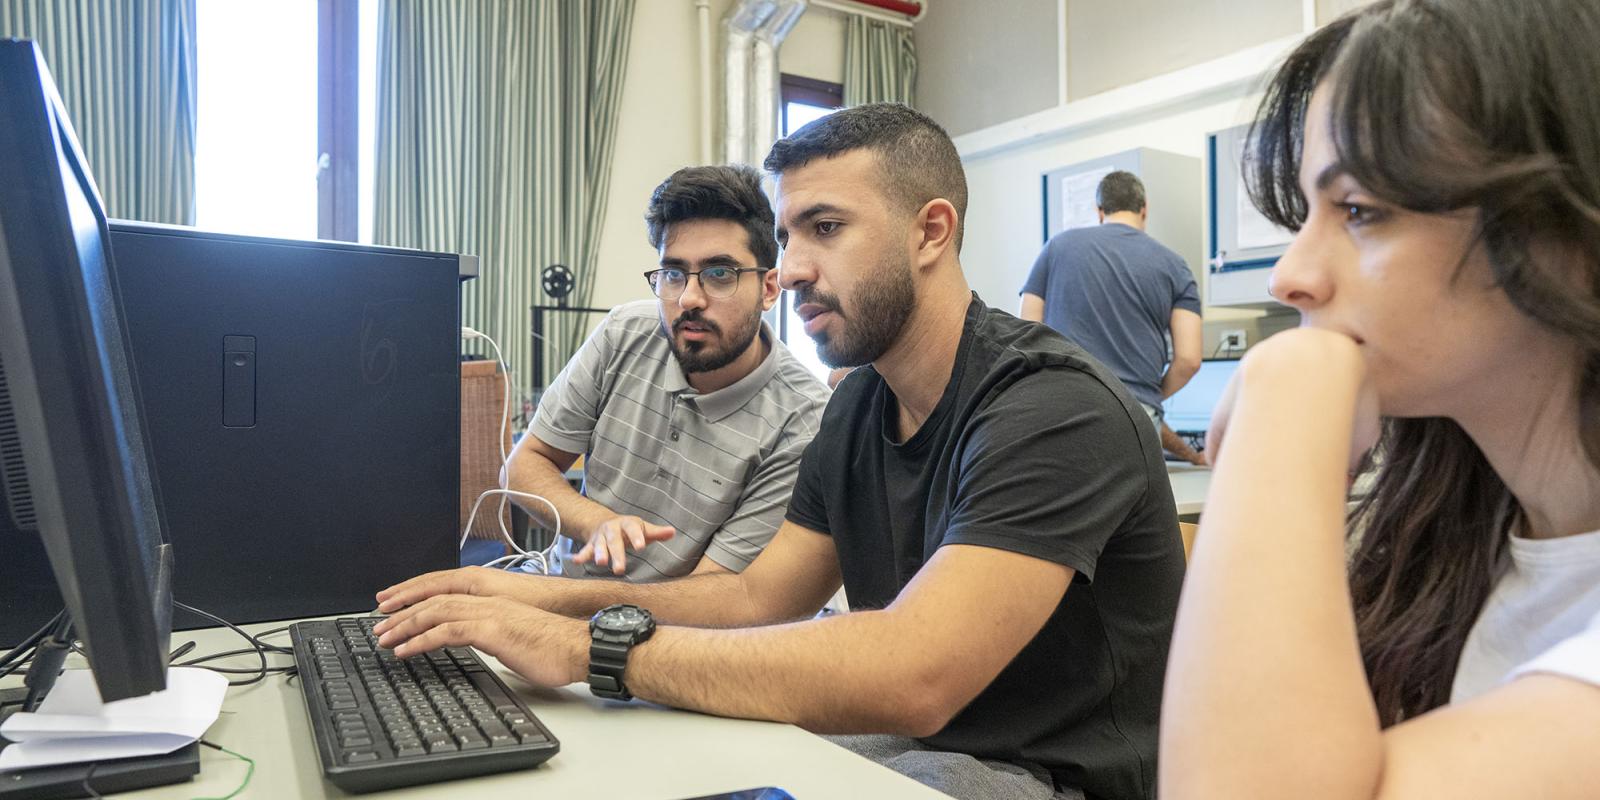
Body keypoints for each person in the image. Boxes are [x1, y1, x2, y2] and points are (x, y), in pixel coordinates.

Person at [375, 104, 1185, 800]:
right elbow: (754, 599)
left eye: (825, 229)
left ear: (931, 231)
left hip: (1041, 774)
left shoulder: (1051, 405)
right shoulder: (861, 403)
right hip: (917, 744)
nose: (791, 270)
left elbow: (915, 674)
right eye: (790, 234)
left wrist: (591, 648)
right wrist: (521, 603)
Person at [1160, 1, 1600, 797]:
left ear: (1567, 232)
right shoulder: (1455, 531)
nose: (1289, 275)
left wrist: (1282, 394)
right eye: (1307, 214)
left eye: (1359, 210)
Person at [500, 164, 827, 580]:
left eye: (719, 274)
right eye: (673, 273)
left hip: (675, 636)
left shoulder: (804, 420)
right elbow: (524, 464)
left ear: (768, 289)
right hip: (564, 599)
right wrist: (595, 521)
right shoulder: (624, 333)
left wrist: (548, 609)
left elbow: (713, 598)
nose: (689, 298)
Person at [1019, 170, 1204, 463]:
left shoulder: (1058, 247)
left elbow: (1027, 333)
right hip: (1135, 416)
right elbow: (1190, 359)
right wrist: (1149, 395)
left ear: (1100, 211)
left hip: (1060, 408)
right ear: (1144, 209)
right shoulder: (1175, 266)